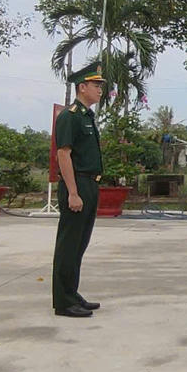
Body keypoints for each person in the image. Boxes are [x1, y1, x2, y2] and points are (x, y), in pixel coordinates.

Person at [52, 61, 106, 318]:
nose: (100, 90)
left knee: (80, 244)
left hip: (90, 183)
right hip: (77, 183)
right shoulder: (69, 116)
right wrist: (73, 192)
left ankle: (72, 294)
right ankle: (63, 302)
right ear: (82, 87)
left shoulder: (87, 116)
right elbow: (64, 155)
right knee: (68, 245)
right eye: (96, 85)